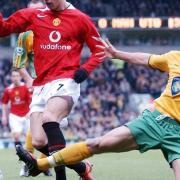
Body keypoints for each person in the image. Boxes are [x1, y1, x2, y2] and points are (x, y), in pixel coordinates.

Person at [16, 39, 180, 180]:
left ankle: (39, 165)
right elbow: (148, 59)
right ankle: (40, 165)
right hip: (154, 121)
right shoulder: (175, 57)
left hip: (177, 135)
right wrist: (117, 54)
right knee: (97, 143)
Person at [0, 0, 103, 179]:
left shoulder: (80, 19)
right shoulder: (35, 14)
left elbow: (100, 49)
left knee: (49, 118)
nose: (47, 1)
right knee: (39, 140)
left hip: (66, 80)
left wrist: (86, 69)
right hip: (41, 85)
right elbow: (3, 29)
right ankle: (81, 168)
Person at [2, 70, 31, 148]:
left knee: (28, 136)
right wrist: (4, 116)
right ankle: (20, 153)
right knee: (16, 135)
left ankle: (28, 153)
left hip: (26, 115)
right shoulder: (8, 89)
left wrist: (30, 112)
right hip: (14, 115)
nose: (15, 78)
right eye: (13, 76)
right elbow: (4, 103)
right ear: (11, 78)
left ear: (21, 77)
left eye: (17, 76)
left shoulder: (25, 87)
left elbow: (31, 101)